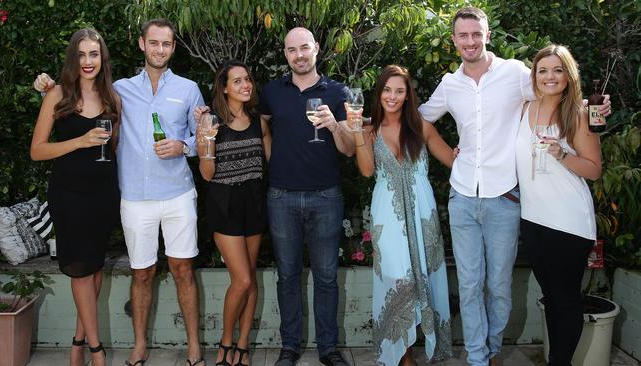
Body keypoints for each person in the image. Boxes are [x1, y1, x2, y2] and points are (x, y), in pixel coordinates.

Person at [416, 7, 610, 366]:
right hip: (462, 196)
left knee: (499, 289)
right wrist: (448, 157)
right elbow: (419, 120)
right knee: (471, 285)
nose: (470, 41)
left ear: (487, 34)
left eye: (477, 34)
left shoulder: (515, 74)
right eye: (463, 35)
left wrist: (592, 109)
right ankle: (477, 358)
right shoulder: (449, 84)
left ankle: (491, 351)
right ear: (454, 40)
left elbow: (554, 92)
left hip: (506, 197)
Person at [35, 18, 206, 366]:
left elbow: (202, 135)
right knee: (141, 272)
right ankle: (139, 347)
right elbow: (78, 98)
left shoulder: (189, 89)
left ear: (173, 48)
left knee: (183, 270)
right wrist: (49, 87)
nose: (160, 49)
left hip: (177, 194)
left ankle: (193, 348)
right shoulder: (120, 90)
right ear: (142, 44)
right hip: (133, 196)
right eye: (154, 43)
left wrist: (184, 145)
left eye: (167, 44)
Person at [258, 27, 355, 366]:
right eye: (291, 50)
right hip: (281, 196)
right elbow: (261, 126)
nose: (299, 55)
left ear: (316, 48)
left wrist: (333, 126)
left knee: (327, 276)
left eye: (304, 48)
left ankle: (328, 349)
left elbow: (348, 150)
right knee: (287, 275)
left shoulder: (337, 91)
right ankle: (290, 346)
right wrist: (274, 155)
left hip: (325, 196)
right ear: (285, 54)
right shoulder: (272, 91)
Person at [345, 65, 454, 365]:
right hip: (387, 215)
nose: (392, 97)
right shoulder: (368, 130)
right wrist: (356, 132)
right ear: (378, 93)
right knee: (396, 277)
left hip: (422, 212)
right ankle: (402, 353)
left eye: (399, 91)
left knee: (426, 276)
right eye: (387, 90)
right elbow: (367, 171)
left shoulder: (422, 126)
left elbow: (454, 162)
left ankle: (423, 345)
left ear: (408, 96)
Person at [30, 28, 120, 366]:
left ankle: (77, 343)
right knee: (82, 270)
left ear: (102, 59)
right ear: (73, 58)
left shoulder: (114, 99)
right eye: (81, 55)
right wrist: (79, 142)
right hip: (69, 196)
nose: (87, 61)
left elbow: (115, 149)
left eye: (93, 54)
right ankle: (96, 351)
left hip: (103, 195)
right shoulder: (57, 96)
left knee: (95, 270)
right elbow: (37, 151)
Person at [516, 44, 601, 366]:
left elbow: (594, 169)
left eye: (557, 70)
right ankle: (557, 360)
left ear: (568, 74)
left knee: (565, 300)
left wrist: (562, 155)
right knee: (550, 298)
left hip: (568, 221)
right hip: (533, 219)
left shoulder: (577, 113)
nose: (549, 76)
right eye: (543, 70)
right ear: (533, 75)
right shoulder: (524, 108)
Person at [193, 60, 271, 366]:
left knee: (250, 279)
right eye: (236, 81)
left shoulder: (259, 121)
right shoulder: (210, 121)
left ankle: (242, 346)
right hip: (224, 203)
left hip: (253, 200)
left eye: (247, 79)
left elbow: (271, 162)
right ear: (224, 87)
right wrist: (207, 142)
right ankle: (226, 340)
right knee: (240, 280)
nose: (245, 85)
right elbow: (207, 174)